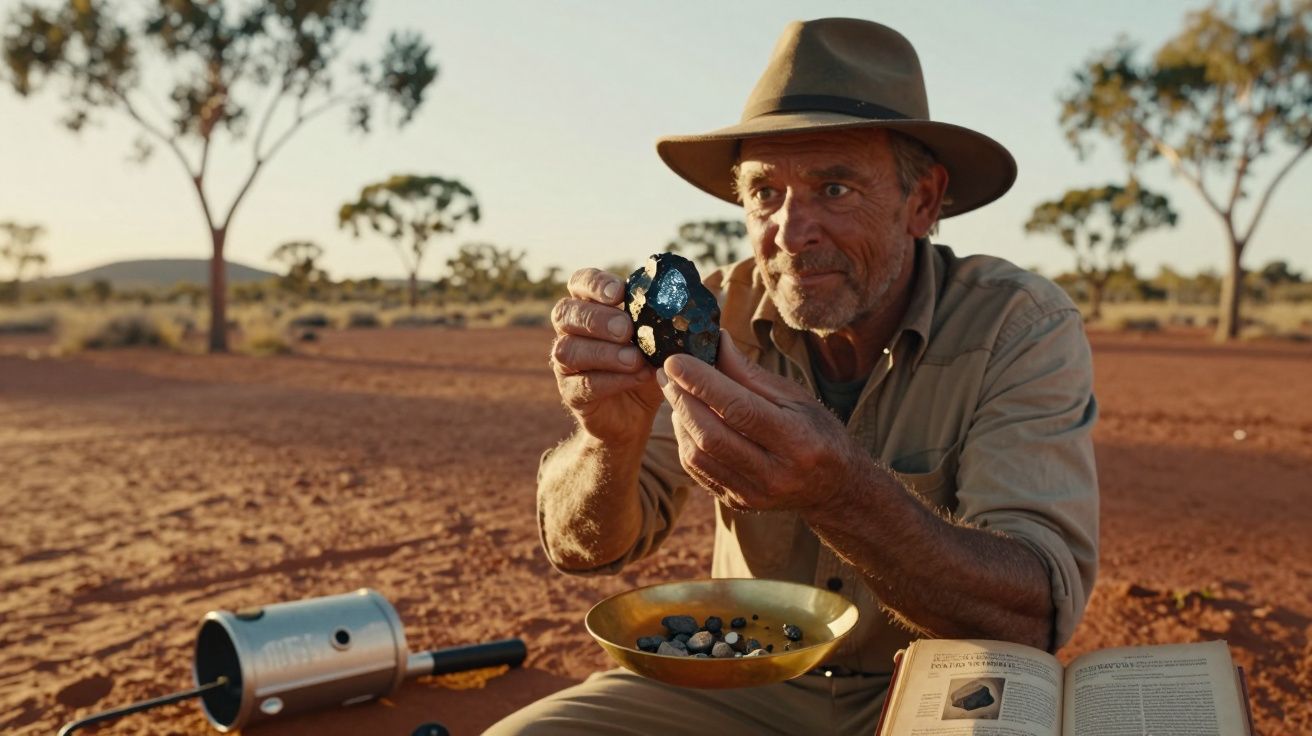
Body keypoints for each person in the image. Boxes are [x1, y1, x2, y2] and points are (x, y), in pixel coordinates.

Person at [488, 17, 1097, 736]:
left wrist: (840, 492)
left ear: (923, 203)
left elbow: (1033, 610)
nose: (789, 229)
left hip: (939, 686)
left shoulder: (1016, 326)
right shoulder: (711, 319)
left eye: (834, 188)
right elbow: (583, 549)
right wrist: (605, 442)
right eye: (764, 192)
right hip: (741, 673)